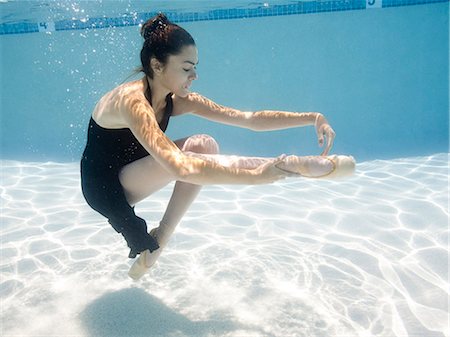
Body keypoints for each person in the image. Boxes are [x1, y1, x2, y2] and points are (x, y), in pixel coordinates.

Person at [80, 13, 355, 279]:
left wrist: (312, 118)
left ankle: (160, 239)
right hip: (105, 189)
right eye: (187, 68)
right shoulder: (133, 102)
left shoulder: (176, 98)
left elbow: (249, 119)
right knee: (183, 159)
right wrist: (257, 176)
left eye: (195, 68)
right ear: (157, 65)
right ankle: (282, 166)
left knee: (204, 144)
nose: (194, 76)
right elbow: (178, 166)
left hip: (134, 172)